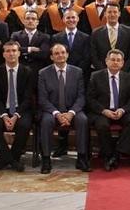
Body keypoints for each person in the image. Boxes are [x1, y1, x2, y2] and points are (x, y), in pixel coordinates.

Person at [38, 43, 91, 173]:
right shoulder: (43, 73)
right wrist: (57, 114)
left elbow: (81, 96)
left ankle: (82, 158)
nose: (60, 55)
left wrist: (71, 113)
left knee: (83, 120)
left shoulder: (77, 72)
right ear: (51, 57)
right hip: (52, 111)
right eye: (56, 53)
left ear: (67, 54)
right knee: (45, 121)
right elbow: (43, 99)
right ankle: (46, 159)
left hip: (73, 110)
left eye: (63, 52)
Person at [0, 41, 34, 171]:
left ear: (19, 53)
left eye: (14, 50)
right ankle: (11, 161)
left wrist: (16, 115)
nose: (11, 53)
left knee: (24, 125)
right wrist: (5, 115)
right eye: (8, 51)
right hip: (2, 109)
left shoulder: (28, 72)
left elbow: (28, 98)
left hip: (21, 109)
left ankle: (7, 160)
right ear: (3, 54)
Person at [87, 49, 130, 171]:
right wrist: (104, 111)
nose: (115, 62)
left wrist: (123, 110)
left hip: (121, 110)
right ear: (106, 61)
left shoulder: (128, 77)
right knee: (102, 125)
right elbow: (90, 99)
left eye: (118, 60)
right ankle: (109, 155)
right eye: (113, 60)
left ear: (122, 63)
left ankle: (115, 153)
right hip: (103, 111)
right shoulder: (95, 76)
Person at [90, 3, 130, 72]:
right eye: (109, 12)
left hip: (124, 74)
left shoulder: (129, 31)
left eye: (115, 12)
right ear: (105, 14)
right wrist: (105, 72)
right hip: (102, 74)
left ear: (119, 14)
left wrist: (122, 71)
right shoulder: (96, 33)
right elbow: (94, 56)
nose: (112, 15)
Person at [10, 11, 50, 76]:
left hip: (37, 71)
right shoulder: (15, 35)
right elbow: (12, 51)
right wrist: (30, 49)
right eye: (28, 18)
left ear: (37, 22)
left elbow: (43, 54)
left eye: (33, 19)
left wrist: (21, 49)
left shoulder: (45, 37)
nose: (30, 21)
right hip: (19, 71)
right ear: (23, 21)